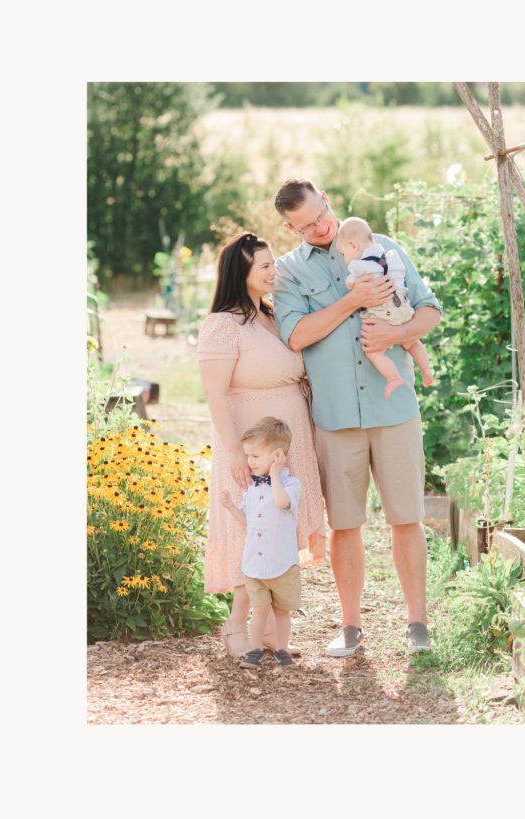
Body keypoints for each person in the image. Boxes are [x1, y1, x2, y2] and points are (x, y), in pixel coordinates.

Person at [272, 179, 442, 656]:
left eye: (321, 215)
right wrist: (351, 302)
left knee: (406, 518)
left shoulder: (384, 247)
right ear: (289, 227)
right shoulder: (286, 273)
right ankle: (350, 627)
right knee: (344, 525)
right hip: (335, 416)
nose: (320, 227)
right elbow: (297, 335)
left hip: (395, 410)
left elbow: (430, 311)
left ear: (326, 198)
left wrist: (398, 334)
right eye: (305, 226)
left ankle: (417, 624)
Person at [197, 231, 326, 659]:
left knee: (276, 528)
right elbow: (215, 393)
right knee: (249, 525)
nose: (275, 271)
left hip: (286, 443)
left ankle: (268, 629)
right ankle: (236, 624)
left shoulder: (270, 314)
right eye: (266, 265)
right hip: (250, 445)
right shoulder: (223, 324)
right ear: (243, 271)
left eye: (274, 263)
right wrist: (235, 452)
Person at [219, 417, 302, 669]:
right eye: (247, 456)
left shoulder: (291, 484)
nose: (249, 462)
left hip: (282, 564)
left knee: (282, 611)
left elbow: (281, 503)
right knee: (259, 610)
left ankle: (282, 648)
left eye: (254, 456)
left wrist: (275, 474)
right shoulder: (252, 488)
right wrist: (231, 507)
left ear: (277, 456)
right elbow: (248, 522)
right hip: (254, 564)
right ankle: (254, 650)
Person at [336, 215, 434, 398]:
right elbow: (400, 274)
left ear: (353, 246)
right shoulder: (390, 255)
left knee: (373, 351)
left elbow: (351, 285)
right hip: (403, 307)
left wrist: (353, 285)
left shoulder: (359, 265)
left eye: (343, 253)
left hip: (383, 312)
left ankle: (393, 378)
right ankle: (427, 371)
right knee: (412, 342)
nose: (344, 258)